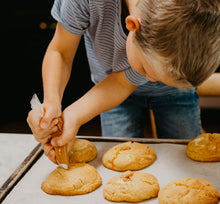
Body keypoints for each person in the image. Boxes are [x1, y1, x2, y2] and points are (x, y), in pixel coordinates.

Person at [27, 0, 220, 164]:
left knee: (189, 162)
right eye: (146, 69)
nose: (149, 80)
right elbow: (60, 51)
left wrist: (73, 116)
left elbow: (128, 80)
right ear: (132, 26)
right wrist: (52, 101)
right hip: (105, 92)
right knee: (120, 163)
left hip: (176, 96)